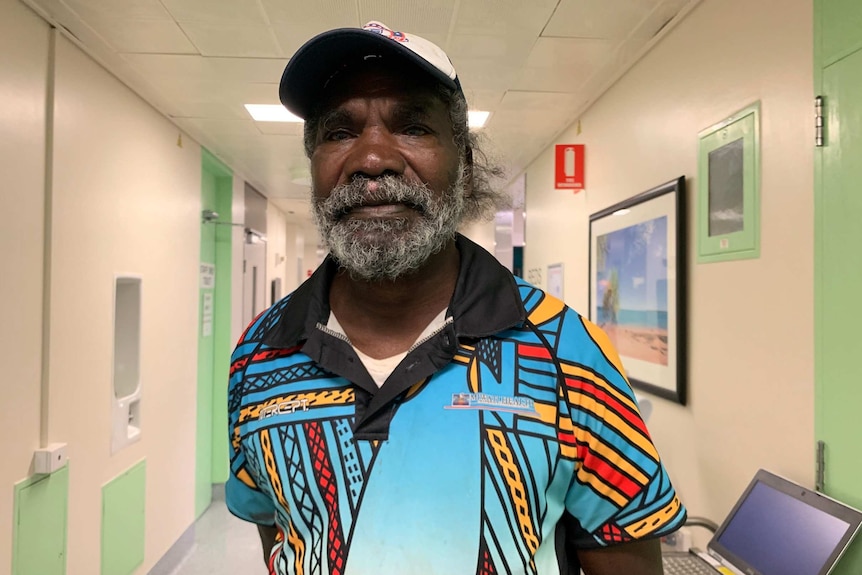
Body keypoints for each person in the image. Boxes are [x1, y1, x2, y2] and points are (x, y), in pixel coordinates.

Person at [226, 20, 686, 575]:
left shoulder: (568, 354)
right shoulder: (260, 356)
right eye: (339, 132)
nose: (372, 159)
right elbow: (285, 536)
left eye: (413, 126)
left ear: (464, 166)